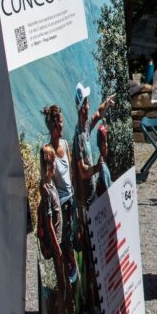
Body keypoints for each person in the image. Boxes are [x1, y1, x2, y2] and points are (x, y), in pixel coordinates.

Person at [42, 104, 78, 285]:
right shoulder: (48, 151)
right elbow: (47, 179)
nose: (63, 125)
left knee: (72, 234)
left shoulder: (64, 144)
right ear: (55, 125)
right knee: (64, 238)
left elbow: (70, 170)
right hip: (61, 202)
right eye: (61, 122)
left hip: (70, 197)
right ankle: (69, 269)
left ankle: (72, 266)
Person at [71, 83, 114, 211]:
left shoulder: (86, 125)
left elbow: (98, 113)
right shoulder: (79, 137)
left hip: (91, 190)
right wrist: (98, 167)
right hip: (86, 198)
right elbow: (83, 172)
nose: (89, 105)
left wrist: (107, 102)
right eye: (88, 102)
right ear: (83, 107)